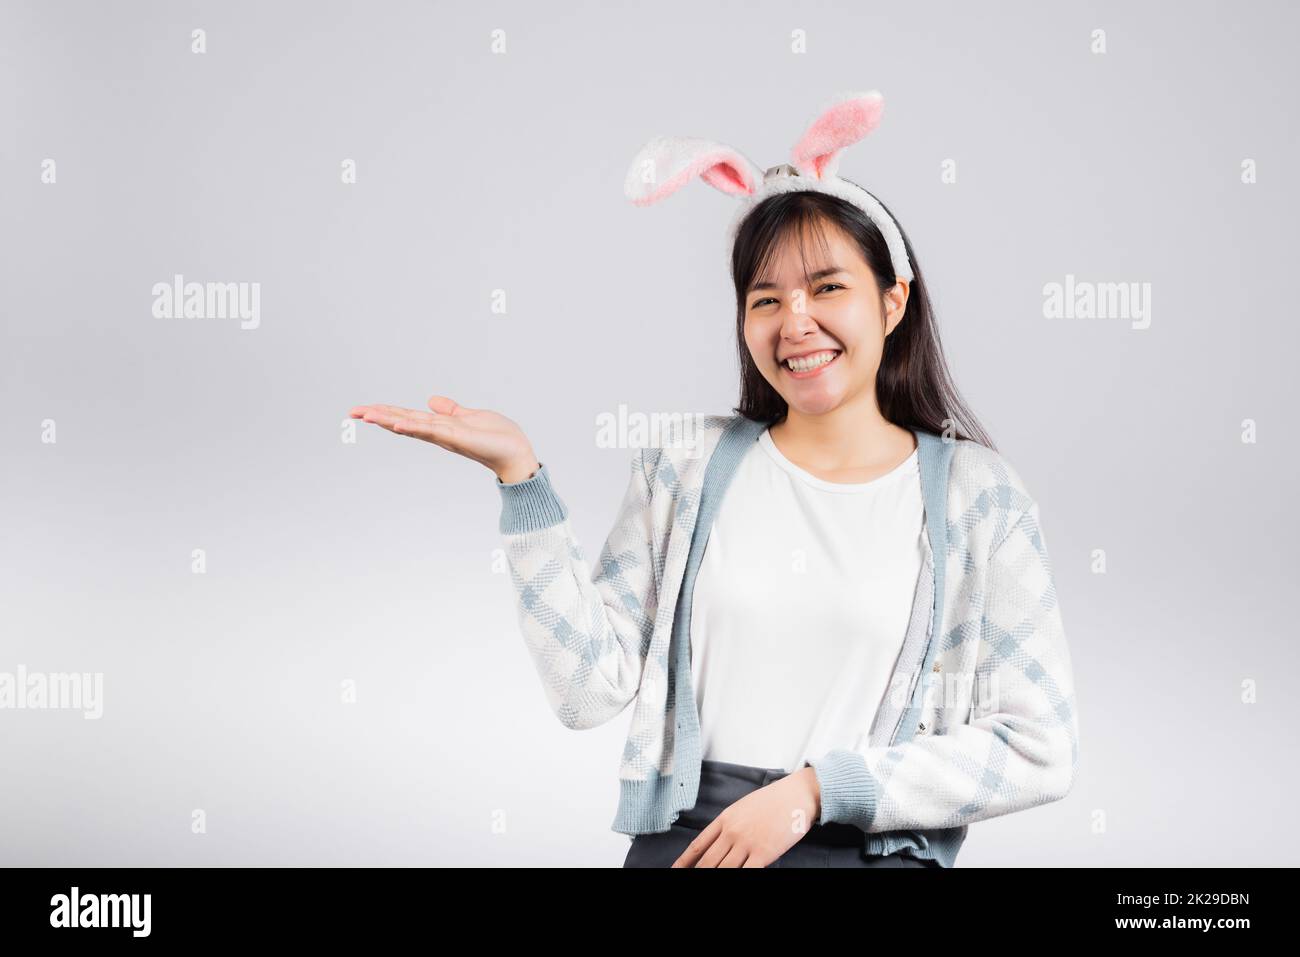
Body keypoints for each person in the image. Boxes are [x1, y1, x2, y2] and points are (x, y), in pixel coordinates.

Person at [349, 91, 1079, 868]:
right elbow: (588, 688)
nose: (794, 321)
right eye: (766, 298)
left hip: (864, 850)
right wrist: (521, 480)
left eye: (828, 287)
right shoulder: (686, 467)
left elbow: (1040, 745)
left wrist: (815, 792)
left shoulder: (980, 498)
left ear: (893, 300)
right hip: (688, 846)